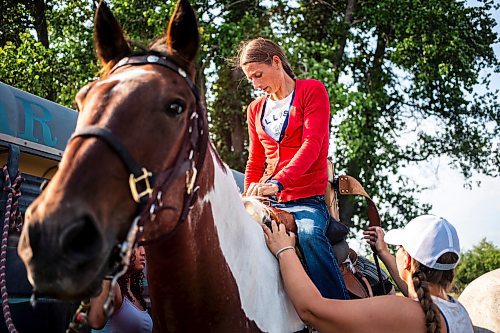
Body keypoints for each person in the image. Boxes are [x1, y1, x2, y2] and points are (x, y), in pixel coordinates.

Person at [236, 37, 349, 300]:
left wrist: (278, 182)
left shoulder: (312, 91)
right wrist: (247, 196)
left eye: (258, 75)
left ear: (276, 62)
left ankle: (338, 310)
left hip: (307, 201)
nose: (255, 84)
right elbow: (255, 160)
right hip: (269, 200)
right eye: (250, 79)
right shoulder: (255, 110)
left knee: (309, 234)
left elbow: (312, 145)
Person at [262, 215, 474, 333]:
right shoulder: (457, 311)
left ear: (407, 260)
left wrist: (285, 250)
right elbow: (417, 292)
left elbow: (312, 311)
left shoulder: (402, 311)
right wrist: (384, 253)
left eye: (399, 248)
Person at [89, 245, 152, 333]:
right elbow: (95, 322)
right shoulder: (112, 286)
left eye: (144, 247)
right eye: (137, 246)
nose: (143, 252)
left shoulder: (133, 292)